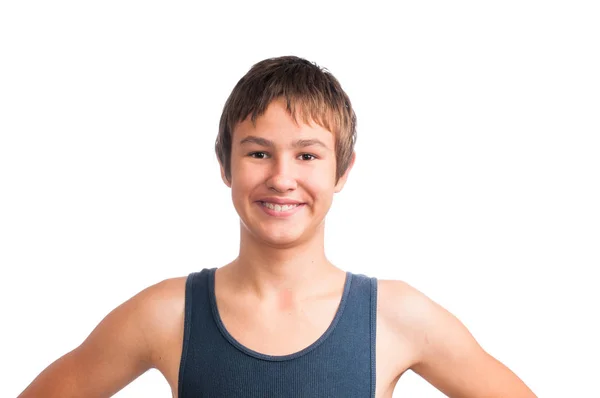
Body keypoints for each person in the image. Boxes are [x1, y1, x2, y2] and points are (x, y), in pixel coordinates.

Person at [18, 55, 537, 397]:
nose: (282, 178)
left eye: (308, 155)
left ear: (343, 171)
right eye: (259, 152)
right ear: (225, 165)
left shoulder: (396, 317)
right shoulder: (168, 314)